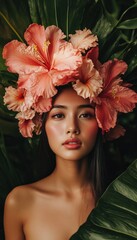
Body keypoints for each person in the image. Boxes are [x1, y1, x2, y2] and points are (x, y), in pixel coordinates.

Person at [2, 23, 137, 240]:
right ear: (41, 124)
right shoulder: (20, 202)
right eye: (58, 116)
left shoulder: (126, 200)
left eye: (85, 115)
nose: (72, 128)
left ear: (103, 121)